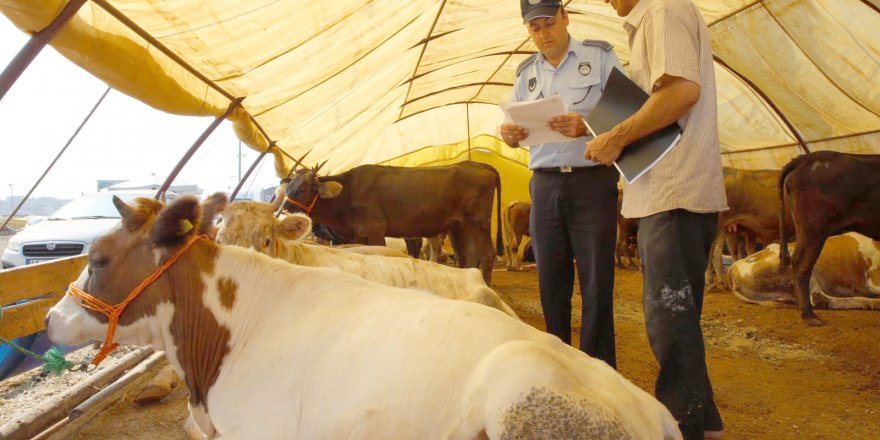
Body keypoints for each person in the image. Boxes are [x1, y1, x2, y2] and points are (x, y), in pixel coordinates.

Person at [585, 0, 728, 437]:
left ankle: (681, 424)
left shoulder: (664, 9)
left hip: (674, 192)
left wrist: (615, 135)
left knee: (669, 316)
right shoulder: (650, 19)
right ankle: (706, 419)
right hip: (666, 194)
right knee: (676, 314)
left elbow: (682, 91)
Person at [500, 0, 623, 369]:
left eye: (548, 23)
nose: (543, 33)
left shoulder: (600, 56)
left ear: (565, 17)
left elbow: (627, 109)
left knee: (597, 284)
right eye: (534, 28)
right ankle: (560, 370)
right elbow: (513, 123)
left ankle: (599, 373)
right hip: (546, 185)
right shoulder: (526, 73)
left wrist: (587, 126)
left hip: (593, 182)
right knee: (551, 283)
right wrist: (508, 134)